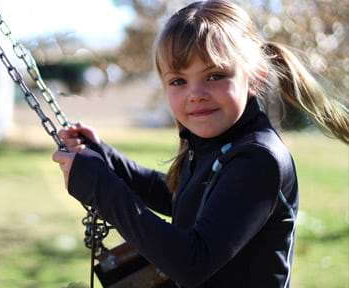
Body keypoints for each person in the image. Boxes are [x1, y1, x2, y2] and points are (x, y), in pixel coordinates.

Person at [52, 1, 349, 287]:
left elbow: (192, 263)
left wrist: (101, 188)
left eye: (215, 75)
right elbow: (182, 197)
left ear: (255, 78)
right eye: (178, 81)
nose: (196, 94)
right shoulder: (214, 144)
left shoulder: (259, 159)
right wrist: (107, 159)